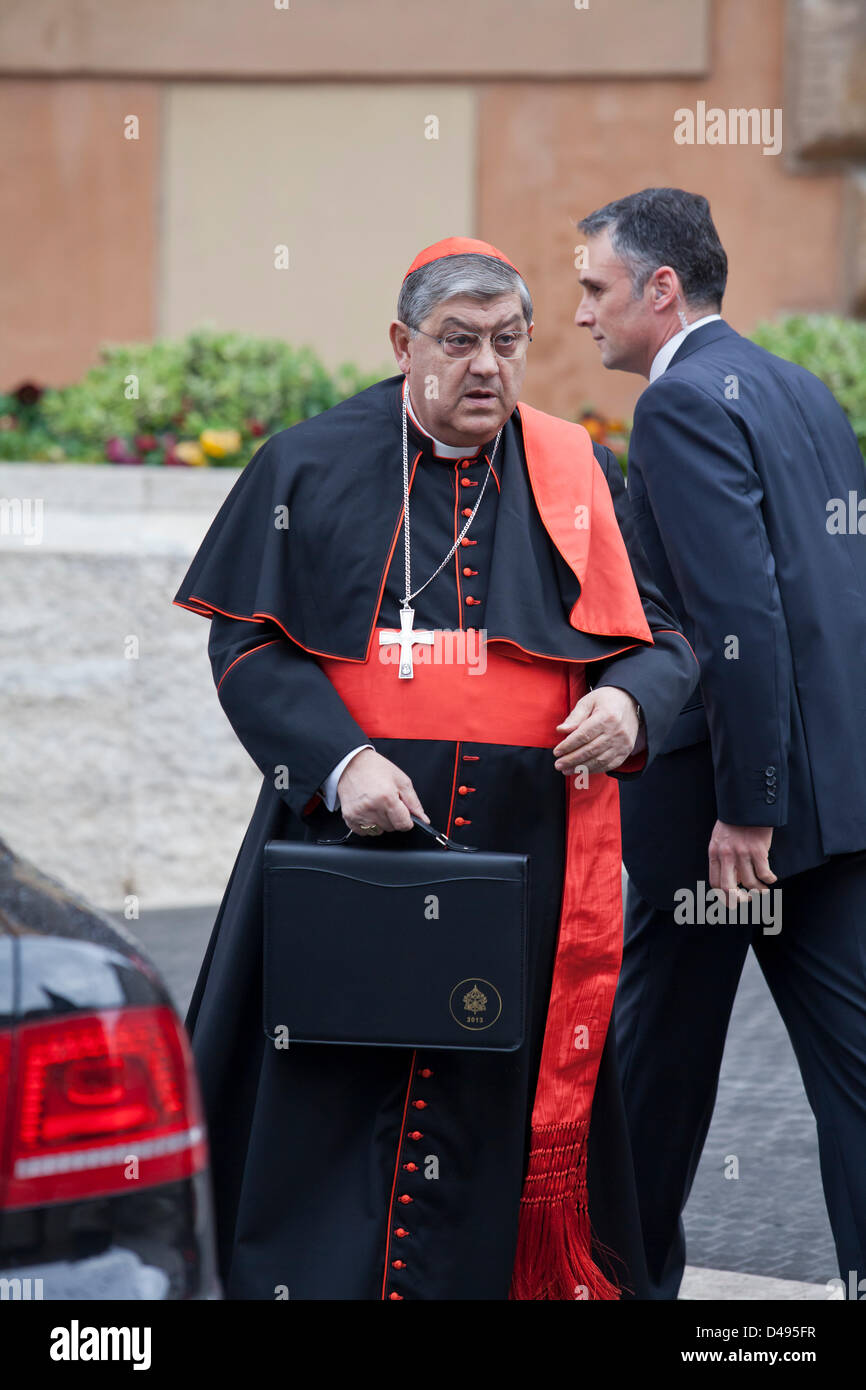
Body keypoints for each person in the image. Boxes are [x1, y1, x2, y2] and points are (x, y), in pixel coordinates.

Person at [173, 235, 697, 1301]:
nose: (486, 368)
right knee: (322, 1089)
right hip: (344, 838)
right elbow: (246, 645)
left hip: (522, 852)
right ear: (402, 342)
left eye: (508, 342)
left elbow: (664, 642)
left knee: (479, 1088)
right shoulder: (307, 462)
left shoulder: (576, 468)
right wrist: (338, 761)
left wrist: (622, 701)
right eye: (458, 343)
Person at [576, 186, 866, 1298]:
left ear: (661, 287)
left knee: (647, 1075)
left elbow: (735, 619)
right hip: (829, 807)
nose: (583, 312)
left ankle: (620, 1285)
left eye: (595, 288)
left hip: (723, 823)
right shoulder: (799, 388)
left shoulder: (681, 404)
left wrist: (745, 806)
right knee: (850, 1078)